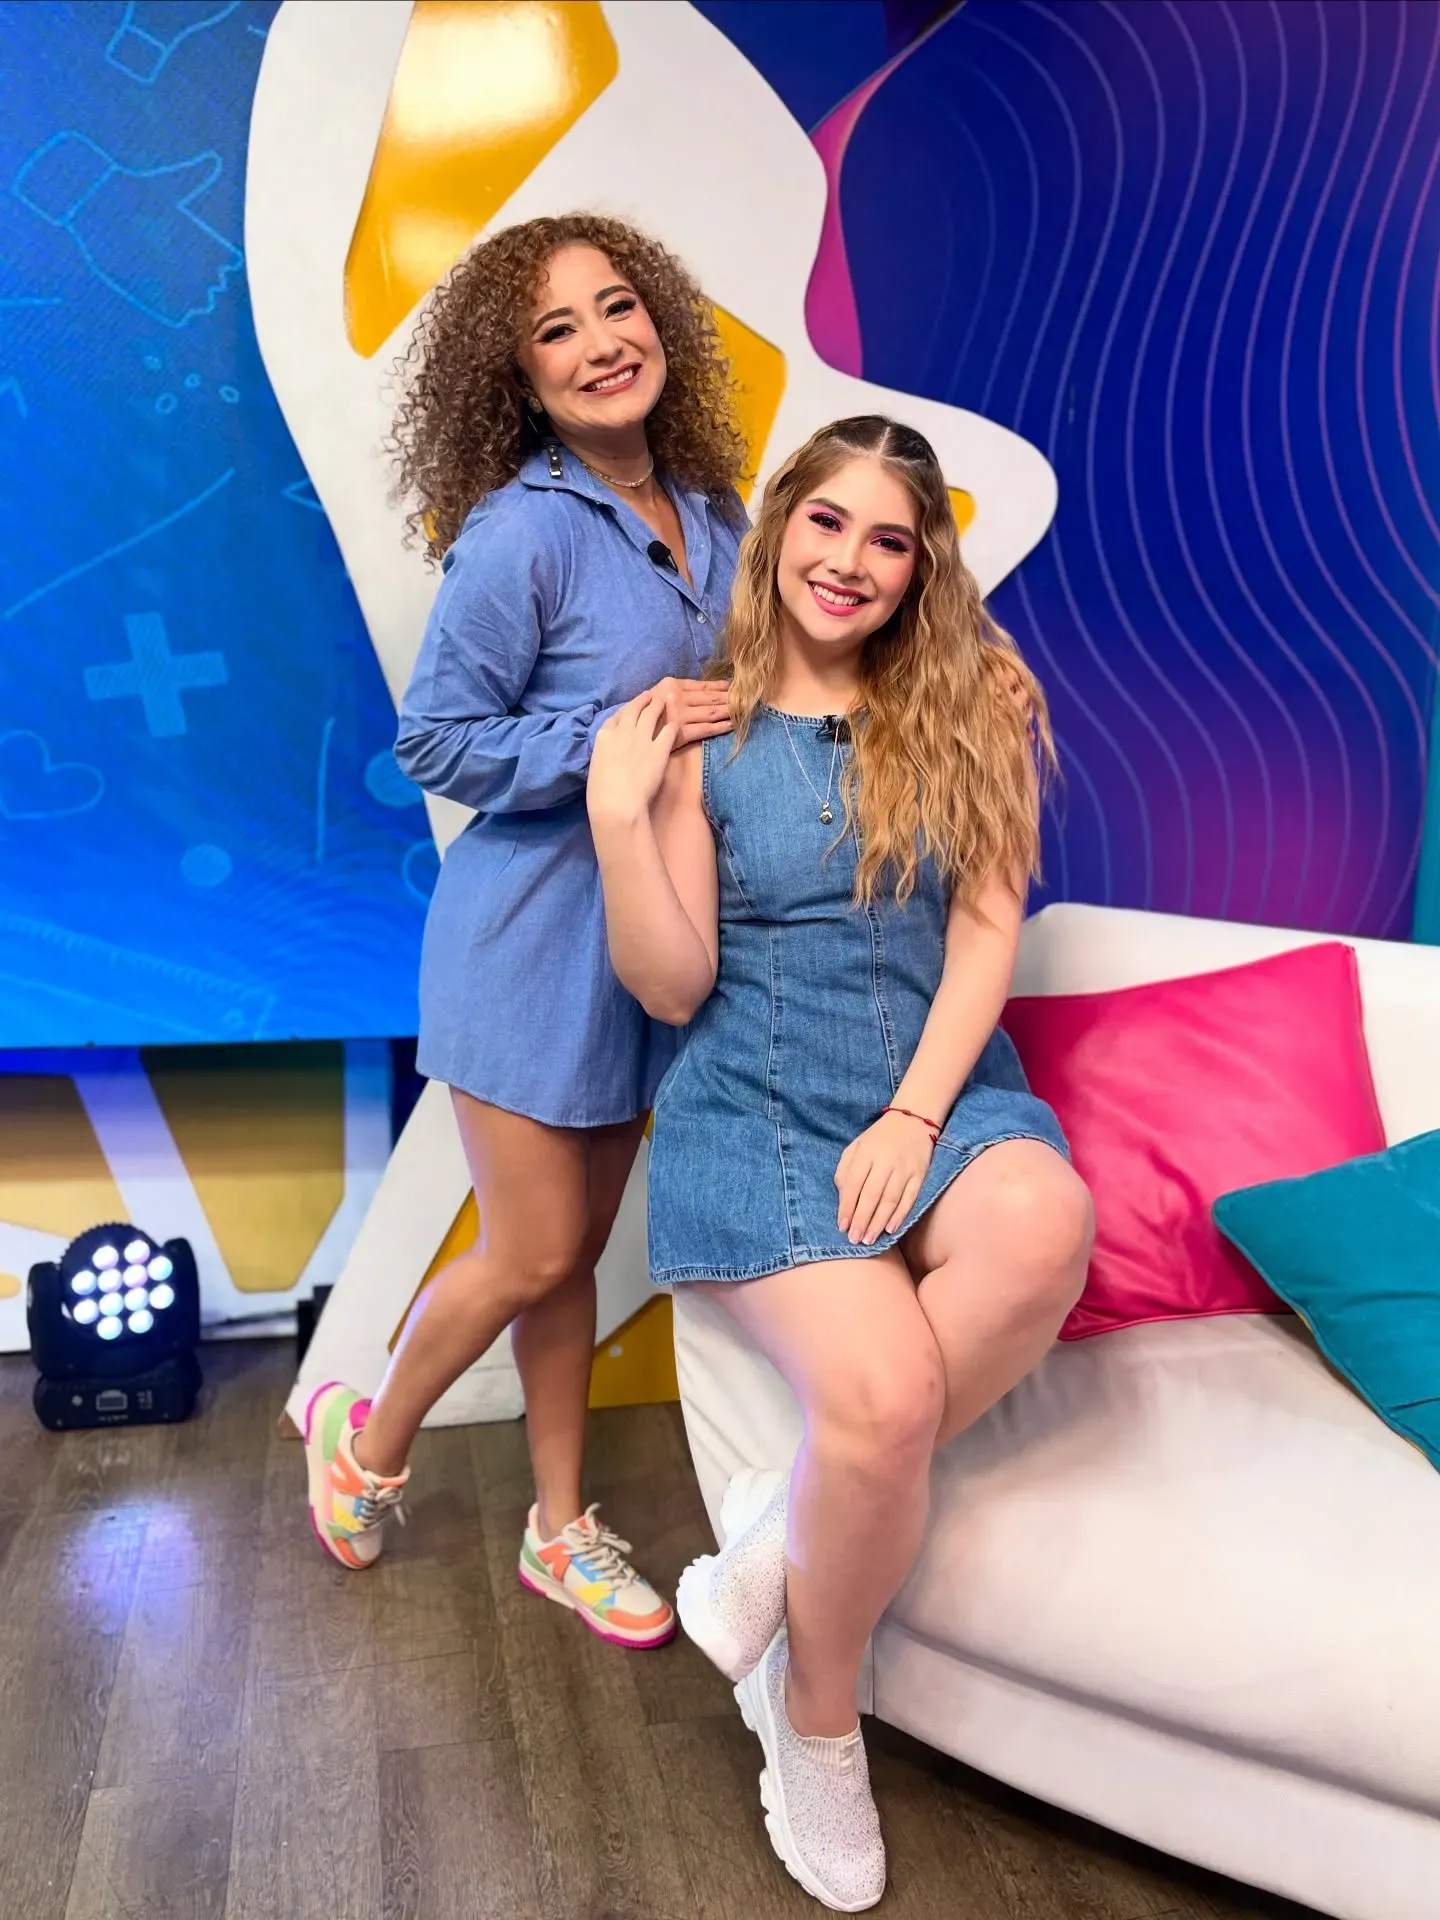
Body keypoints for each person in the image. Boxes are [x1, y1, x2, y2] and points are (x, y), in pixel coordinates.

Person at [586, 416, 1094, 1906]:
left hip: (930, 1099)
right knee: (884, 1399)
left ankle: (768, 1542)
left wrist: (919, 1116)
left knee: (1045, 1220)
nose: (852, 561)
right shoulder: (702, 735)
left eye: (891, 539)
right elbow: (671, 987)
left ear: (922, 565)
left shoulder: (974, 707)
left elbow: (987, 934)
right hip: (756, 1112)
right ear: (780, 528)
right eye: (828, 522)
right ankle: (813, 1721)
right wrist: (620, 818)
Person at [302, 213, 748, 1653]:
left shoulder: (717, 512)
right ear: (521, 376)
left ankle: (560, 1529)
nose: (600, 343)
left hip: (651, 946)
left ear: (659, 320)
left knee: (571, 1256)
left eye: (617, 306)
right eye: (556, 329)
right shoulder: (521, 533)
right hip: (525, 946)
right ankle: (367, 1443)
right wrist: (617, 735)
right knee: (532, 1250)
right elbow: (437, 740)